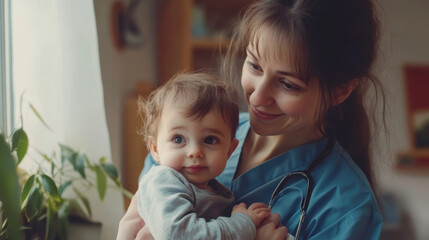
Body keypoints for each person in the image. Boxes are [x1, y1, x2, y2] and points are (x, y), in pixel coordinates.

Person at [117, 0, 385, 239]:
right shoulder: (182, 139)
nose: (257, 97)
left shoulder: (345, 209)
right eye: (254, 66)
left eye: (288, 84)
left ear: (340, 90)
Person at [136, 72, 272, 240]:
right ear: (155, 149)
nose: (195, 151)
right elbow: (178, 234)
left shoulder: (214, 191)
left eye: (209, 140)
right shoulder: (164, 182)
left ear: (230, 150)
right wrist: (243, 223)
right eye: (178, 139)